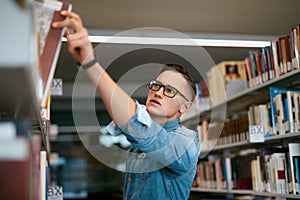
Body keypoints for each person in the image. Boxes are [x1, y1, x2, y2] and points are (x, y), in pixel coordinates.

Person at [52, 11, 200, 200]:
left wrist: (90, 62)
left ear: (185, 107)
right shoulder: (137, 149)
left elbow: (138, 126)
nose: (158, 92)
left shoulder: (186, 142)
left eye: (169, 90)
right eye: (156, 85)